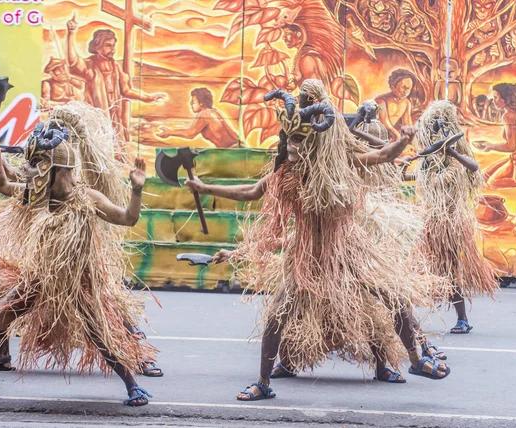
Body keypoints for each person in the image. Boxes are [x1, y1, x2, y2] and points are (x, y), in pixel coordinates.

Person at [186, 79, 449, 401]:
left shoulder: (338, 165)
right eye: (289, 139)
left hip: (347, 250)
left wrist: (402, 142)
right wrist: (206, 188)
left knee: (394, 298)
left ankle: (416, 360)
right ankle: (263, 382)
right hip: (306, 254)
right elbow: (251, 192)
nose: (293, 146)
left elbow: (381, 157)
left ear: (314, 139)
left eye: (299, 139)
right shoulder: (285, 174)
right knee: (277, 314)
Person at [0, 104, 158, 406]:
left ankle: (132, 386)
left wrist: (137, 190)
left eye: (37, 165)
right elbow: (2, 184)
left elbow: (127, 218)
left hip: (78, 284)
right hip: (39, 280)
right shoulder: (37, 194)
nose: (31, 171)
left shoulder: (88, 198)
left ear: (57, 169)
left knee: (100, 335)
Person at [410, 100, 498, 334]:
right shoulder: (428, 160)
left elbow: (474, 167)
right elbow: (416, 176)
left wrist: (451, 150)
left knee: (449, 271)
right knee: (420, 270)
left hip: (451, 223)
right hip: (430, 221)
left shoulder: (457, 157)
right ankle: (409, 323)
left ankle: (462, 319)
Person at [66, 15, 166, 153]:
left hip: (115, 119)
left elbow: (126, 91)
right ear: (97, 46)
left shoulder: (116, 67)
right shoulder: (90, 67)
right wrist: (71, 34)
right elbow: (73, 61)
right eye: (108, 45)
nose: (112, 49)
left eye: (113, 45)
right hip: (97, 120)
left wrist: (148, 98)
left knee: (117, 152)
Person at [482, 83, 516, 186]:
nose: (493, 101)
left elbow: (511, 146)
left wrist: (490, 146)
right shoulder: (515, 112)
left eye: (496, 97)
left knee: (493, 182)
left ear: (505, 99)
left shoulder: (508, 116)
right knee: (485, 175)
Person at [157, 87, 239, 148]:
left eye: (193, 102)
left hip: (233, 151)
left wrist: (170, 132)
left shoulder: (205, 114)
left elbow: (190, 134)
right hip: (237, 148)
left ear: (201, 104)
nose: (191, 104)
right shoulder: (214, 112)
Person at [376, 69, 415, 142]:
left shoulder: (406, 102)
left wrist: (412, 136)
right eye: (403, 87)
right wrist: (397, 136)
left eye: (409, 88)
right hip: (379, 135)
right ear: (393, 88)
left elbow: (407, 123)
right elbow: (384, 123)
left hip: (394, 135)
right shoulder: (381, 101)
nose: (406, 91)